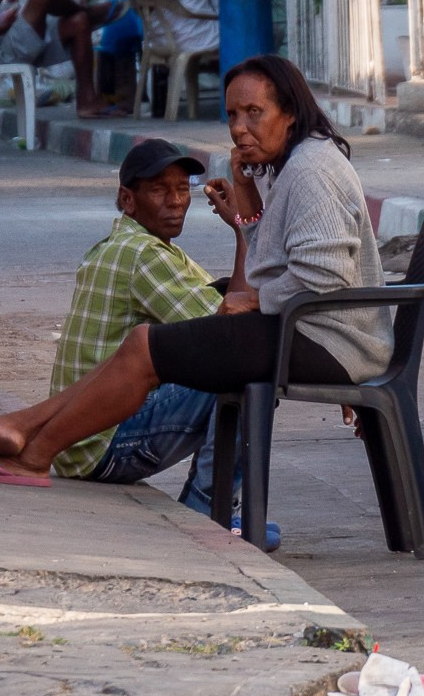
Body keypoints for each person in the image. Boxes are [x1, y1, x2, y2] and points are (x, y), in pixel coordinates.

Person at [0, 55, 382, 508]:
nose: (239, 128)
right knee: (147, 345)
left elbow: (323, 275)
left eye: (254, 113)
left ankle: (37, 450)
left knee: (152, 348)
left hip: (321, 335)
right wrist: (246, 196)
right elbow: (270, 267)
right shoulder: (299, 165)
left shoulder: (310, 170)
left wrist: (263, 302)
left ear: (289, 113)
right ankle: (26, 435)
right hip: (313, 331)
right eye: (231, 114)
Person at [47, 137, 278, 547]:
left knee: (234, 359)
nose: (175, 201)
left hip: (76, 440)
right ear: (127, 199)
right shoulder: (143, 256)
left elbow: (226, 302)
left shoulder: (136, 245)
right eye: (158, 190)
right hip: (99, 442)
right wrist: (244, 229)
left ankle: (215, 507)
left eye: (182, 189)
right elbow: (230, 329)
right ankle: (209, 510)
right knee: (251, 373)